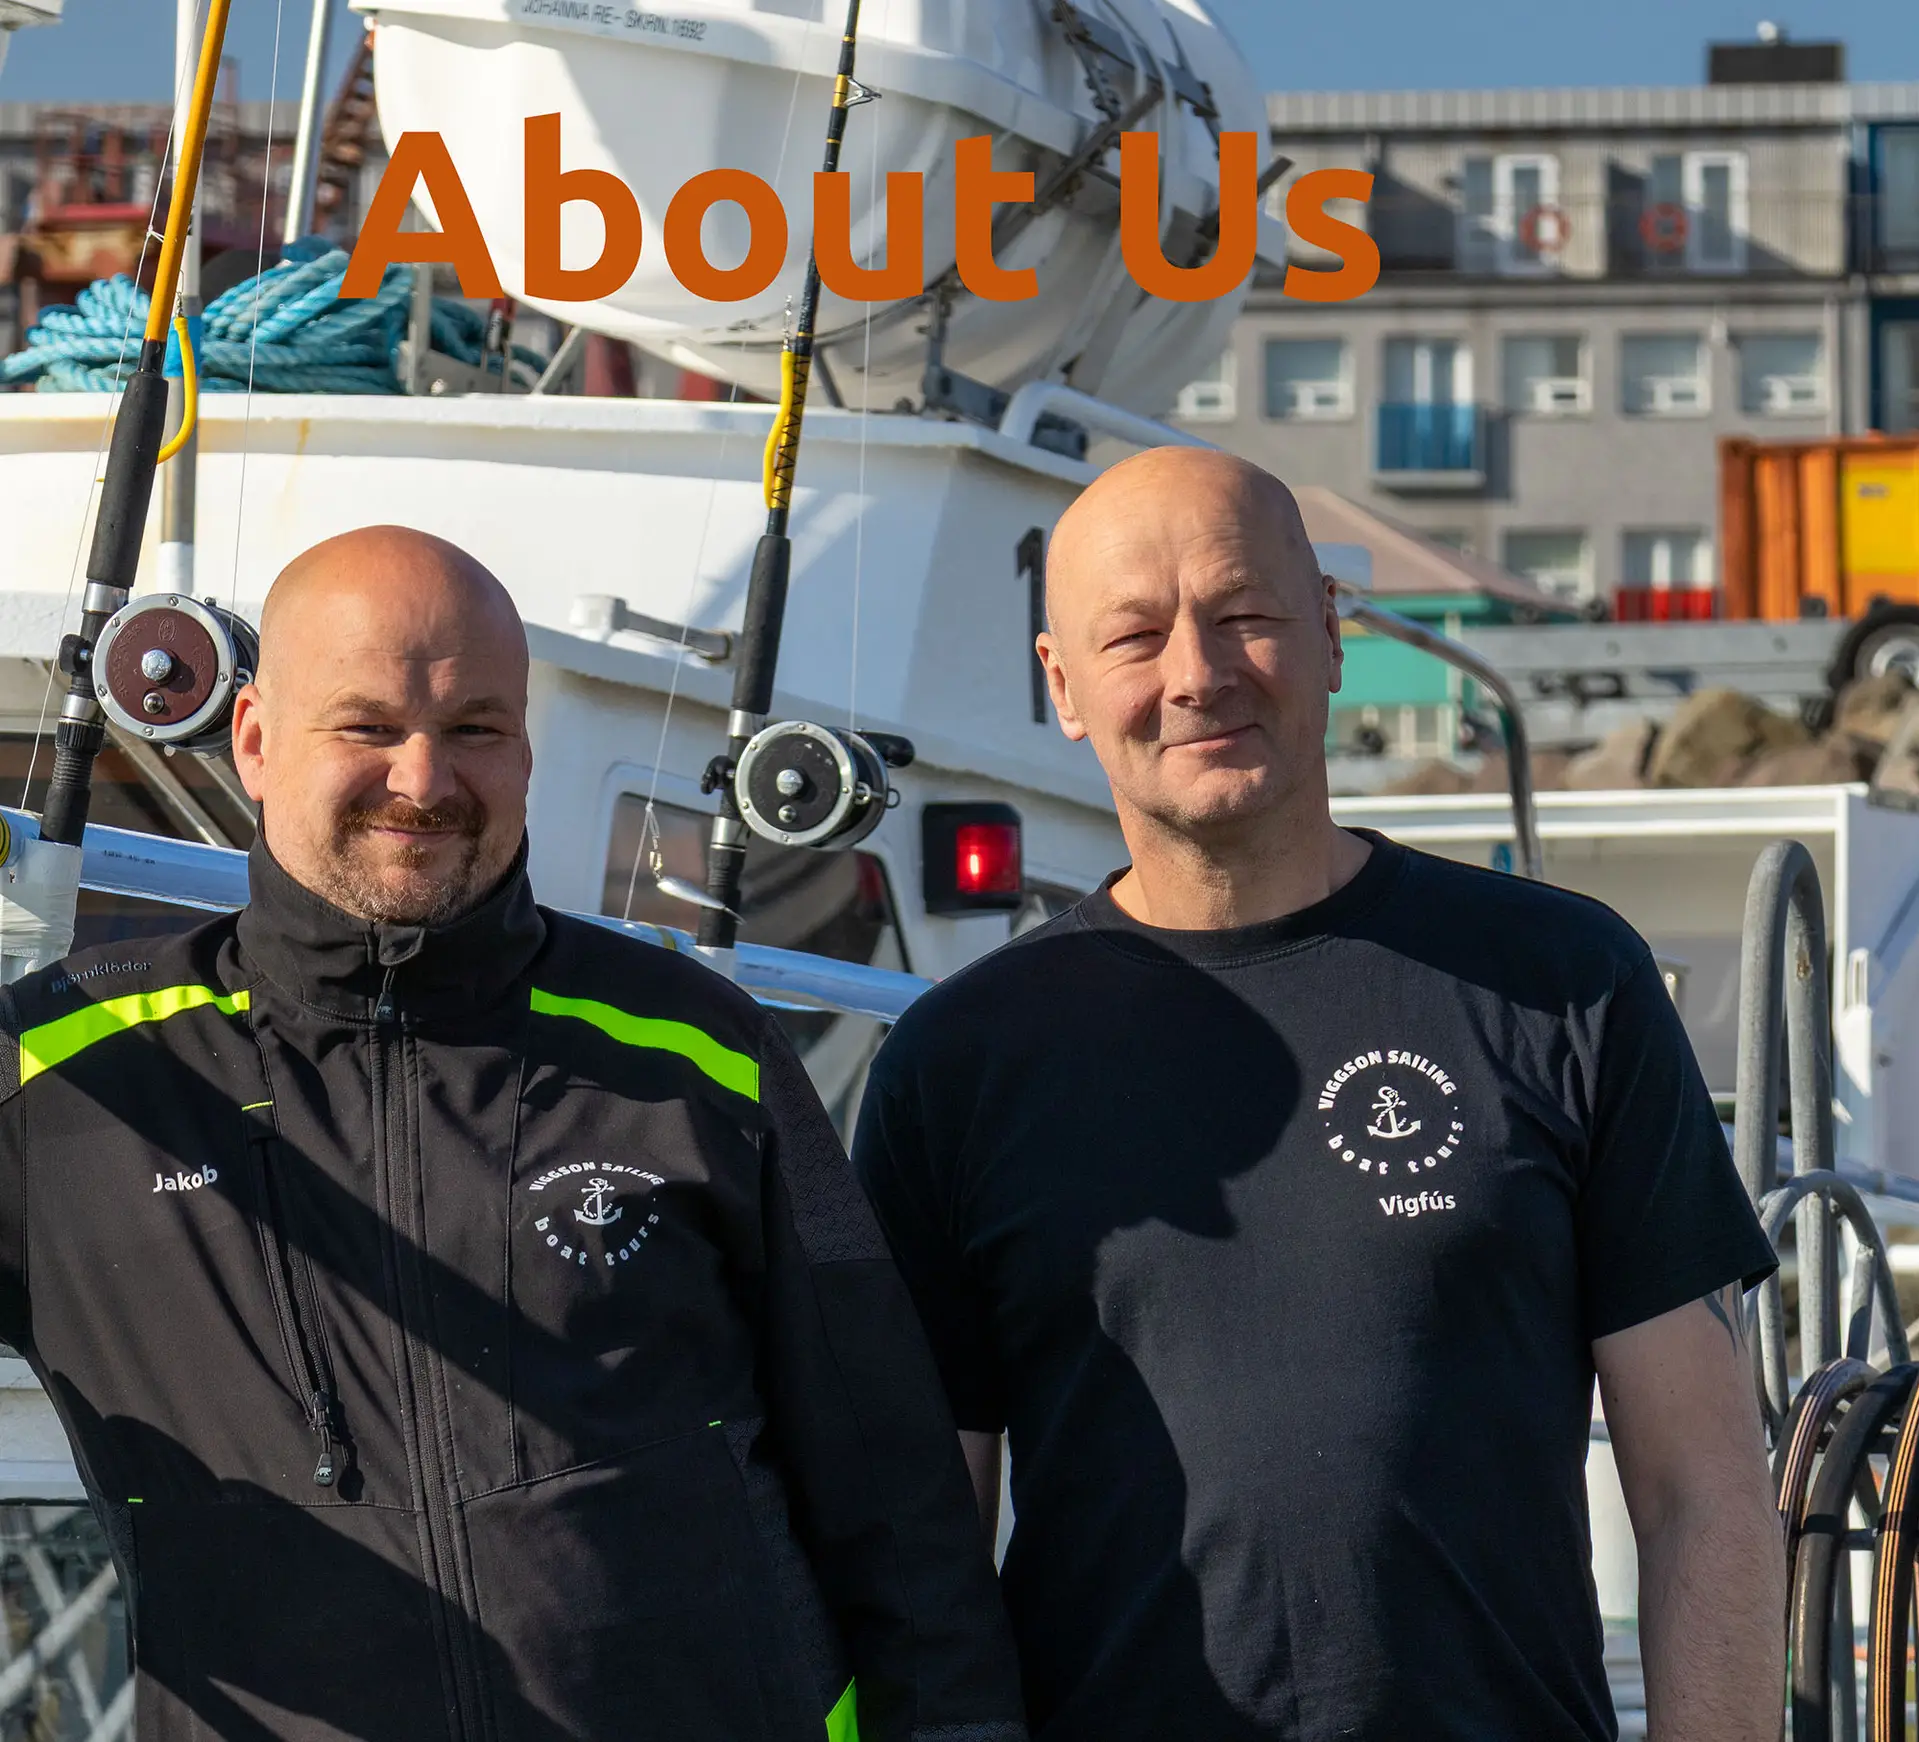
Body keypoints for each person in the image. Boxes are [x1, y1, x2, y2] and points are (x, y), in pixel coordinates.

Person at [0, 527, 1026, 1742]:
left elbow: (895, 1500)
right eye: (369, 725)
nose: (425, 779)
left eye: (476, 727)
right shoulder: (66, 1075)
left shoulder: (693, 1048)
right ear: (259, 742)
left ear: (527, 749)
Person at [852, 449, 1785, 1741]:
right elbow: (920, 1559)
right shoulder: (956, 1064)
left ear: (1332, 632)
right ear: (1061, 685)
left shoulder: (1563, 981)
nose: (1198, 672)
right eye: (1136, 636)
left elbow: (1703, 1487)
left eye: (1244, 612)